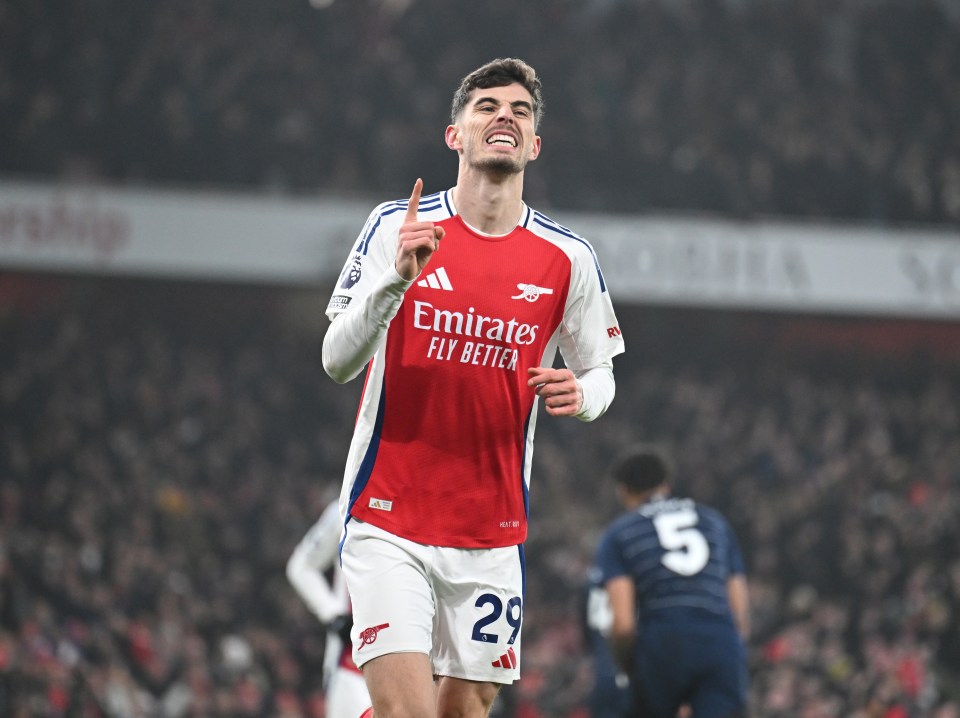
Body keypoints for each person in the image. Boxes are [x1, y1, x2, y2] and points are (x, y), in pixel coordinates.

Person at [321, 57, 625, 718]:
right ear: (455, 134)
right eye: (487, 106)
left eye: (519, 110)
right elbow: (336, 361)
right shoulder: (395, 228)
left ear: (535, 145)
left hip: (492, 534)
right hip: (387, 518)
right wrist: (395, 280)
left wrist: (586, 396)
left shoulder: (567, 257)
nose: (504, 117)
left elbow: (601, 372)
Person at [592, 446, 750, 718]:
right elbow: (740, 611)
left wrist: (629, 665)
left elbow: (623, 624)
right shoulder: (714, 522)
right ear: (666, 484)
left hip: (663, 642)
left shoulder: (619, 534)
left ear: (623, 491)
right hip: (720, 640)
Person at [286, 500, 372, 718]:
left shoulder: (425, 504)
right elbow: (301, 565)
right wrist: (334, 615)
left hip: (414, 662)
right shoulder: (344, 507)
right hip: (351, 667)